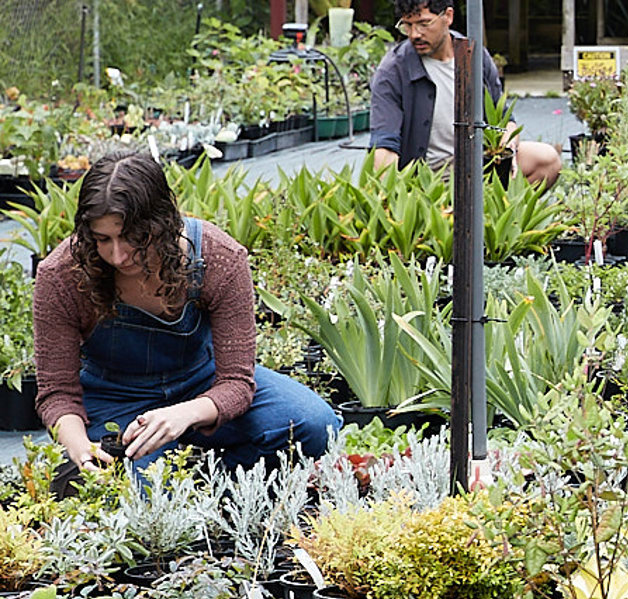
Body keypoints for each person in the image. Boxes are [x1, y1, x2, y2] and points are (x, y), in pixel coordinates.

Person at [32, 151, 341, 473]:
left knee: (315, 423)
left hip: (201, 384)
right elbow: (57, 394)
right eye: (102, 239)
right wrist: (80, 448)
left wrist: (183, 414)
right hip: (116, 398)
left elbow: (236, 382)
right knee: (144, 500)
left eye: (133, 238)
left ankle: (218, 482)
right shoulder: (62, 275)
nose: (118, 255)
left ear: (163, 223)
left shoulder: (217, 258)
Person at [368, 0, 561, 186]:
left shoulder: (474, 54)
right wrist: (388, 198)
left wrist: (507, 148)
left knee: (547, 160)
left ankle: (495, 213)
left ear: (448, 16)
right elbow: (385, 143)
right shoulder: (393, 71)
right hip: (426, 177)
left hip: (476, 164)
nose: (414, 34)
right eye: (407, 25)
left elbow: (503, 120)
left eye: (424, 24)